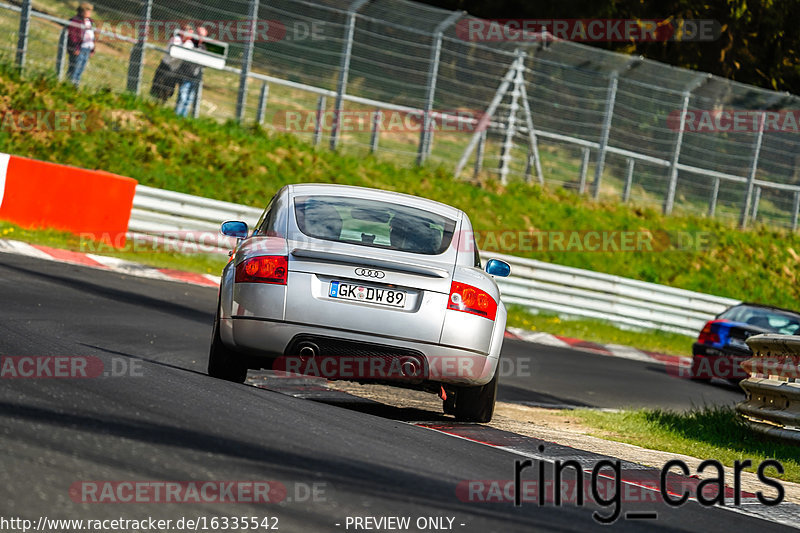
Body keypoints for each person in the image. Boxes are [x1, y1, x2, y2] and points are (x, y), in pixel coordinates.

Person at [149, 24, 191, 104]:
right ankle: (153, 104)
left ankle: (162, 105)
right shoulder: (175, 39)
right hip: (166, 66)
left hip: (174, 70)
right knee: (158, 88)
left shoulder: (189, 44)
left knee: (168, 91)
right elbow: (173, 56)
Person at [174, 27, 207, 117]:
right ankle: (176, 116)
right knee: (182, 97)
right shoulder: (190, 43)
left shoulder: (204, 47)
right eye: (199, 35)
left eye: (203, 36)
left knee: (189, 99)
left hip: (195, 76)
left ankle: (183, 118)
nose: (201, 37)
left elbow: (205, 63)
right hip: (186, 74)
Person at [66, 2, 95, 87]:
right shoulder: (76, 21)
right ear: (82, 11)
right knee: (75, 68)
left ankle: (75, 86)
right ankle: (69, 85)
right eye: (88, 10)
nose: (90, 12)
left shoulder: (90, 21)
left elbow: (92, 36)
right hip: (79, 48)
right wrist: (75, 48)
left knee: (80, 69)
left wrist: (92, 49)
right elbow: (73, 36)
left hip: (87, 48)